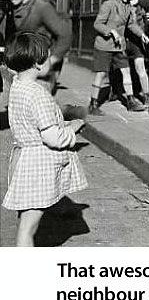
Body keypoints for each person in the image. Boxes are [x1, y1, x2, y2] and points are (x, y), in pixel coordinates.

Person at [1, 32, 87, 246]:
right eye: (48, 57)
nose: (51, 61)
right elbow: (52, 138)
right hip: (37, 165)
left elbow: (33, 124)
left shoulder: (18, 87)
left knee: (26, 220)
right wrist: (73, 128)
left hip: (23, 159)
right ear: (37, 64)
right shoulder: (37, 94)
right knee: (27, 229)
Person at [1, 0, 72, 95]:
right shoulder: (14, 6)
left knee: (38, 103)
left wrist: (52, 60)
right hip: (23, 63)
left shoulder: (42, 7)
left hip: (40, 66)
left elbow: (65, 35)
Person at [90, 0, 149, 114]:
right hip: (104, 46)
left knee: (126, 71)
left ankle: (130, 101)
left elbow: (131, 24)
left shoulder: (127, 7)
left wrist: (141, 35)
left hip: (118, 46)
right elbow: (97, 24)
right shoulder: (108, 5)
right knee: (101, 74)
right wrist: (110, 31)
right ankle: (93, 103)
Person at [126, 0, 149, 107]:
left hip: (137, 43)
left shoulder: (141, 10)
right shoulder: (123, 9)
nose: (134, 1)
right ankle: (123, 94)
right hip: (124, 42)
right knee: (124, 71)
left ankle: (147, 96)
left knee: (140, 69)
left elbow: (144, 25)